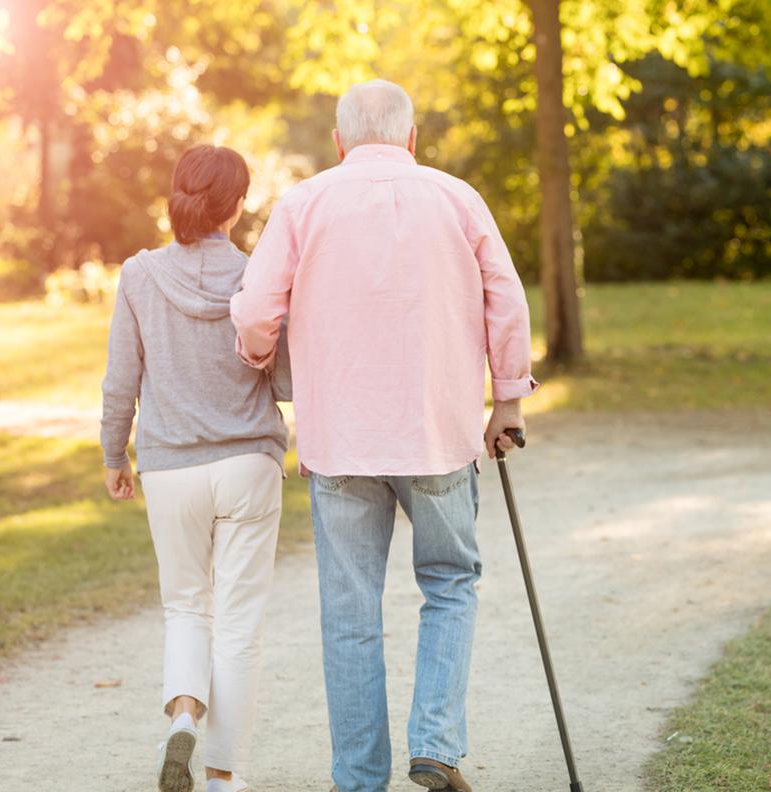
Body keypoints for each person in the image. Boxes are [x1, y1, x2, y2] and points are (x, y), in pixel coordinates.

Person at [231, 79, 538, 792]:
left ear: (339, 143)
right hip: (440, 431)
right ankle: (434, 742)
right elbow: (506, 296)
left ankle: (359, 779)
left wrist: (257, 358)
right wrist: (510, 401)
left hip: (341, 440)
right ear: (412, 137)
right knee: (451, 583)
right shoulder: (458, 199)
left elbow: (253, 313)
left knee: (349, 612)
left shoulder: (303, 204)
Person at [101, 144, 289, 792]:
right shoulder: (257, 276)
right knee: (238, 624)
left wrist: (112, 455)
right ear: (236, 207)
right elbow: (286, 379)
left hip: (170, 468)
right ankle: (222, 774)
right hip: (248, 465)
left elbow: (120, 379)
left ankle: (183, 715)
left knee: (185, 607)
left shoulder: (139, 275)